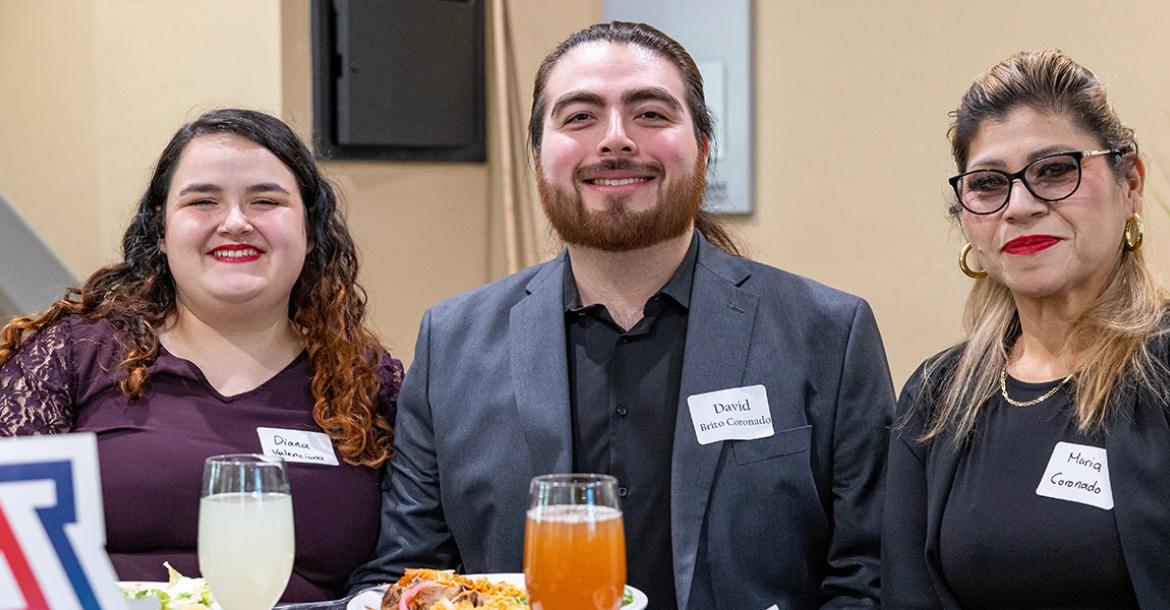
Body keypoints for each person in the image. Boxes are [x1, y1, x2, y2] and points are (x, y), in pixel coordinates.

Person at [349, 22, 893, 609]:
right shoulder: (452, 344)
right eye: (579, 117)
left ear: (704, 149)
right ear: (538, 158)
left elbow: (872, 574)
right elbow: (406, 574)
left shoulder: (830, 335)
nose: (616, 140)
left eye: (651, 114)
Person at [0, 109, 402, 602]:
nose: (235, 223)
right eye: (203, 201)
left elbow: (409, 562)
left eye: (265, 200)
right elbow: (11, 547)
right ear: (162, 233)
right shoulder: (73, 356)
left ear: (311, 231)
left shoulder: (369, 384)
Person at [883, 50, 1170, 608]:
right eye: (989, 183)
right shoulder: (937, 397)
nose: (1020, 205)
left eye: (1055, 170)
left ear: (1130, 184)